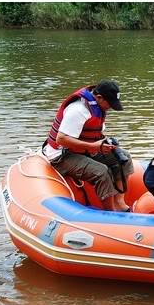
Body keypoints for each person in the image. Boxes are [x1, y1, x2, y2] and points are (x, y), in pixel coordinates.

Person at [43, 79, 134, 212]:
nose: (110, 107)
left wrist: (103, 143)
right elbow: (61, 139)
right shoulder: (78, 110)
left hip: (84, 149)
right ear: (98, 97)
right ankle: (111, 213)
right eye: (109, 104)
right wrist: (94, 147)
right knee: (102, 171)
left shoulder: (97, 106)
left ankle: (120, 204)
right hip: (61, 154)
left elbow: (91, 133)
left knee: (124, 158)